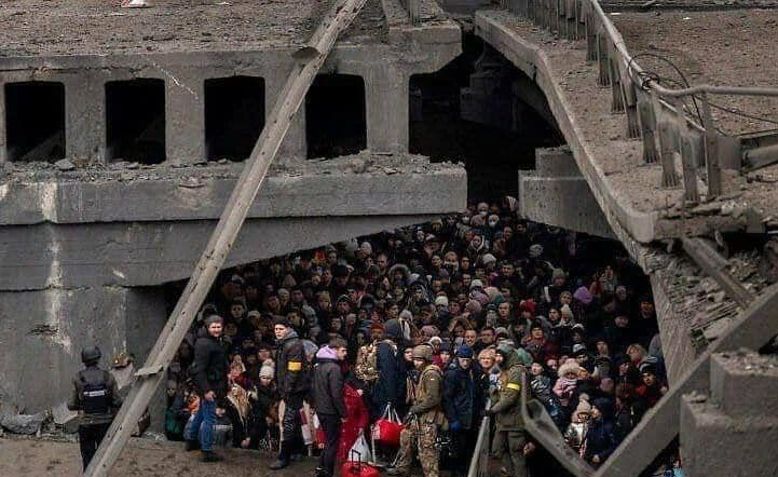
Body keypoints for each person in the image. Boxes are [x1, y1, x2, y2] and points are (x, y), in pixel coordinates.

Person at [388, 344, 444, 477]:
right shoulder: (423, 372)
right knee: (406, 438)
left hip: (428, 418)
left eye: (419, 360)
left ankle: (431, 474)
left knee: (427, 449)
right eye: (415, 359)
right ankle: (402, 468)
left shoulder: (431, 373)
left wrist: (415, 409)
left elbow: (433, 399)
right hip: (419, 416)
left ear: (426, 359)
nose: (416, 362)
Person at [68, 346, 123, 471]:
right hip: (105, 423)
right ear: (98, 358)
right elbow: (117, 401)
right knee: (103, 458)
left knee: (88, 458)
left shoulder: (78, 378)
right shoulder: (108, 377)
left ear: (83, 360)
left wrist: (82, 404)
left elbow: (72, 404)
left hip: (86, 424)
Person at [185, 314, 228, 462]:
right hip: (209, 385)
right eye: (213, 327)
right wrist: (206, 390)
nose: (216, 329)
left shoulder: (213, 340)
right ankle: (207, 450)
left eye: (218, 327)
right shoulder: (204, 344)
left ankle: (191, 440)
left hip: (211, 383)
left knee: (202, 413)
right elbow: (199, 369)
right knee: (210, 418)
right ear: (207, 327)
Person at [270, 316, 308, 470]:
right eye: (276, 329)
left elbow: (294, 370)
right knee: (294, 420)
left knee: (288, 422)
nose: (278, 332)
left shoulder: (293, 345)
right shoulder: (285, 343)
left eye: (280, 329)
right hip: (290, 388)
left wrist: (286, 389)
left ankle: (284, 456)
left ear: (287, 329)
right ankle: (297, 450)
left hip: (293, 389)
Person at [489, 343, 530, 477]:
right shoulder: (503, 372)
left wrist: (493, 410)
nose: (498, 359)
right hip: (502, 421)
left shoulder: (517, 371)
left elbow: (510, 396)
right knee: (497, 450)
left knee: (516, 453)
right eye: (497, 356)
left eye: (501, 356)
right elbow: (499, 393)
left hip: (515, 422)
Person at [312, 338, 348, 477]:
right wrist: (343, 414)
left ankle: (320, 469)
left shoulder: (319, 365)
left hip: (321, 408)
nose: (345, 354)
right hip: (331, 411)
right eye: (343, 350)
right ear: (334, 350)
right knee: (332, 444)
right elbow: (336, 395)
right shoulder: (334, 368)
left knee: (328, 441)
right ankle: (327, 473)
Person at [443, 345, 478, 477]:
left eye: (467, 360)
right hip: (459, 417)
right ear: (458, 359)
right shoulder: (453, 374)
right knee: (457, 450)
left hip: (469, 416)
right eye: (462, 359)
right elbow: (447, 398)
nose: (465, 362)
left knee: (466, 450)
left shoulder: (472, 372)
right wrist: (453, 418)